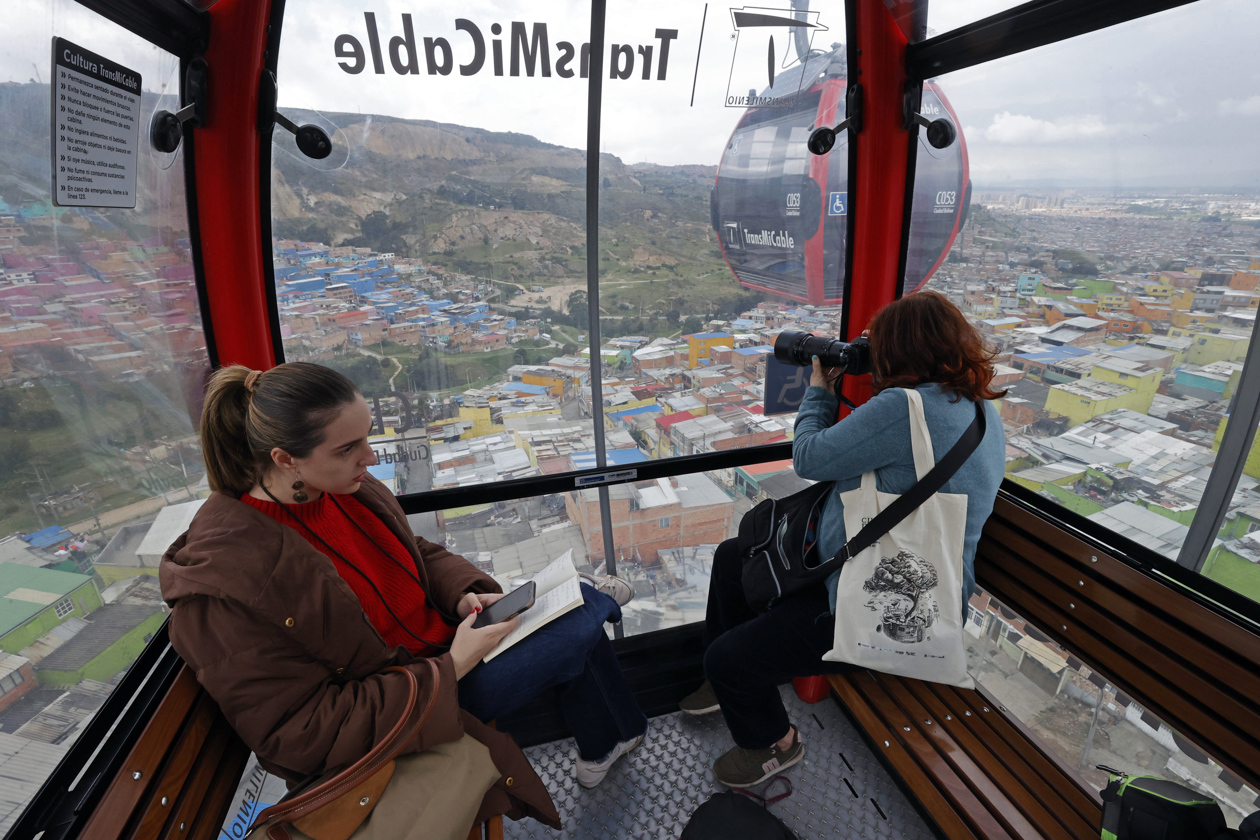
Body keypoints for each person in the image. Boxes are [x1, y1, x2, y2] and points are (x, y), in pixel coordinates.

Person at [159, 362, 648, 833]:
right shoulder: (226, 587)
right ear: (287, 459)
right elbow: (299, 735)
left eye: (367, 437)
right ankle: (597, 617)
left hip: (447, 641)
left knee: (566, 625)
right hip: (413, 699)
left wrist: (464, 594)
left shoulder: (340, 485)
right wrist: (450, 667)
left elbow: (412, 551)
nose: (370, 458)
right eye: (350, 447)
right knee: (578, 620)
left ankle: (611, 736)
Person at [680, 290, 1007, 788]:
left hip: (880, 602)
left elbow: (809, 458)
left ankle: (773, 744)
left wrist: (819, 389)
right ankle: (728, 681)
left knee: (728, 658)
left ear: (901, 349)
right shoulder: (980, 408)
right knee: (733, 557)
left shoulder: (905, 407)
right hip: (890, 573)